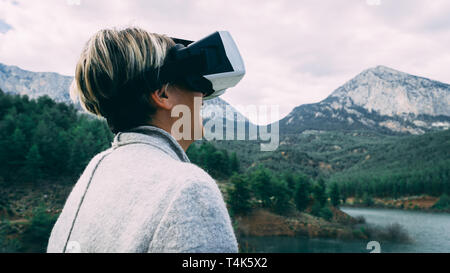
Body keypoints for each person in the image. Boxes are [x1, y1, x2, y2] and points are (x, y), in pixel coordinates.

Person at [46, 26, 239, 253]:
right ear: (163, 93)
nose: (203, 95)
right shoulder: (188, 187)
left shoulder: (97, 169)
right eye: (195, 82)